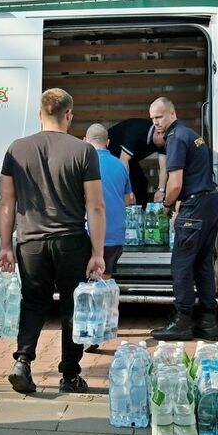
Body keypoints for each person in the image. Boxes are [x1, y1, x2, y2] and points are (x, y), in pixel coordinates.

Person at [0, 89, 106, 394]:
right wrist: (97, 253)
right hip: (70, 240)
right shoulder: (84, 151)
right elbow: (95, 206)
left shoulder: (17, 149)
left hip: (30, 241)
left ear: (39, 114)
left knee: (33, 302)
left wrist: (6, 245)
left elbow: (8, 203)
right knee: (72, 307)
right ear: (69, 114)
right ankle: (70, 374)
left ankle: (22, 361)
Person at [148, 97, 218, 342]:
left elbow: (176, 182)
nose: (156, 123)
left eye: (159, 117)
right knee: (202, 263)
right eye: (152, 119)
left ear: (172, 113)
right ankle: (208, 322)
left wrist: (168, 205)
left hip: (195, 206)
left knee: (181, 265)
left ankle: (182, 322)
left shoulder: (175, 138)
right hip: (210, 202)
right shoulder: (190, 134)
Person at [83, 123, 135, 352]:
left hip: (88, 232)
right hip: (114, 234)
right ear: (109, 142)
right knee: (104, 278)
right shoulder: (120, 165)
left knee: (86, 282)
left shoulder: (83, 162)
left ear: (86, 140)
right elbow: (128, 199)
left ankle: (90, 330)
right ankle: (102, 326)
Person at [107, 117, 167, 204]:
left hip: (129, 157)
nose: (169, 143)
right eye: (167, 140)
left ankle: (141, 213)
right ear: (158, 133)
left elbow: (164, 167)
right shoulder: (137, 131)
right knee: (131, 184)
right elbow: (123, 162)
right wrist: (128, 191)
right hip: (111, 155)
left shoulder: (164, 141)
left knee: (141, 182)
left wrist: (161, 190)